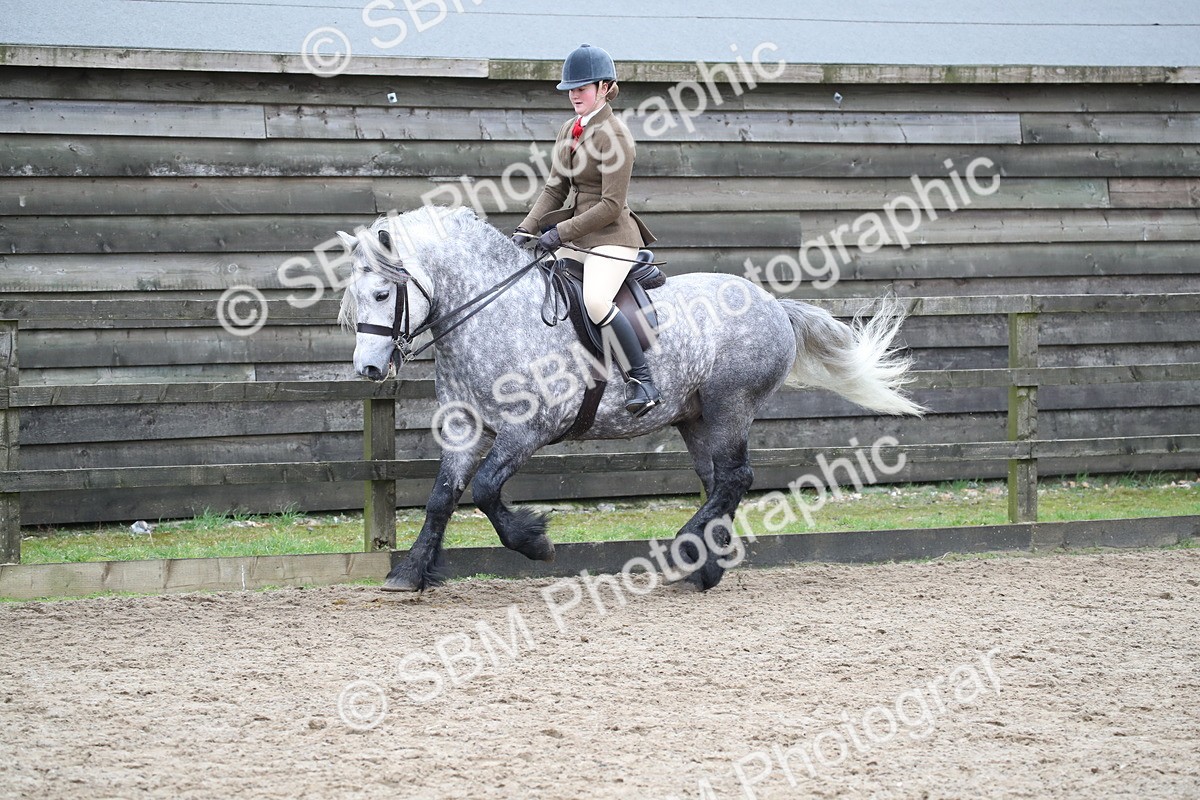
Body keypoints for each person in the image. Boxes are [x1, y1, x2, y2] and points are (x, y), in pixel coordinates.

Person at [512, 44, 661, 418]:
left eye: (582, 87)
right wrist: (525, 230)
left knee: (595, 302)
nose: (574, 94)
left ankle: (641, 379)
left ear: (605, 87)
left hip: (612, 237)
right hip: (577, 236)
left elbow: (611, 205)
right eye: (570, 89)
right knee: (537, 285)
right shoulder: (569, 129)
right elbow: (554, 189)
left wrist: (560, 233)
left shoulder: (616, 136)